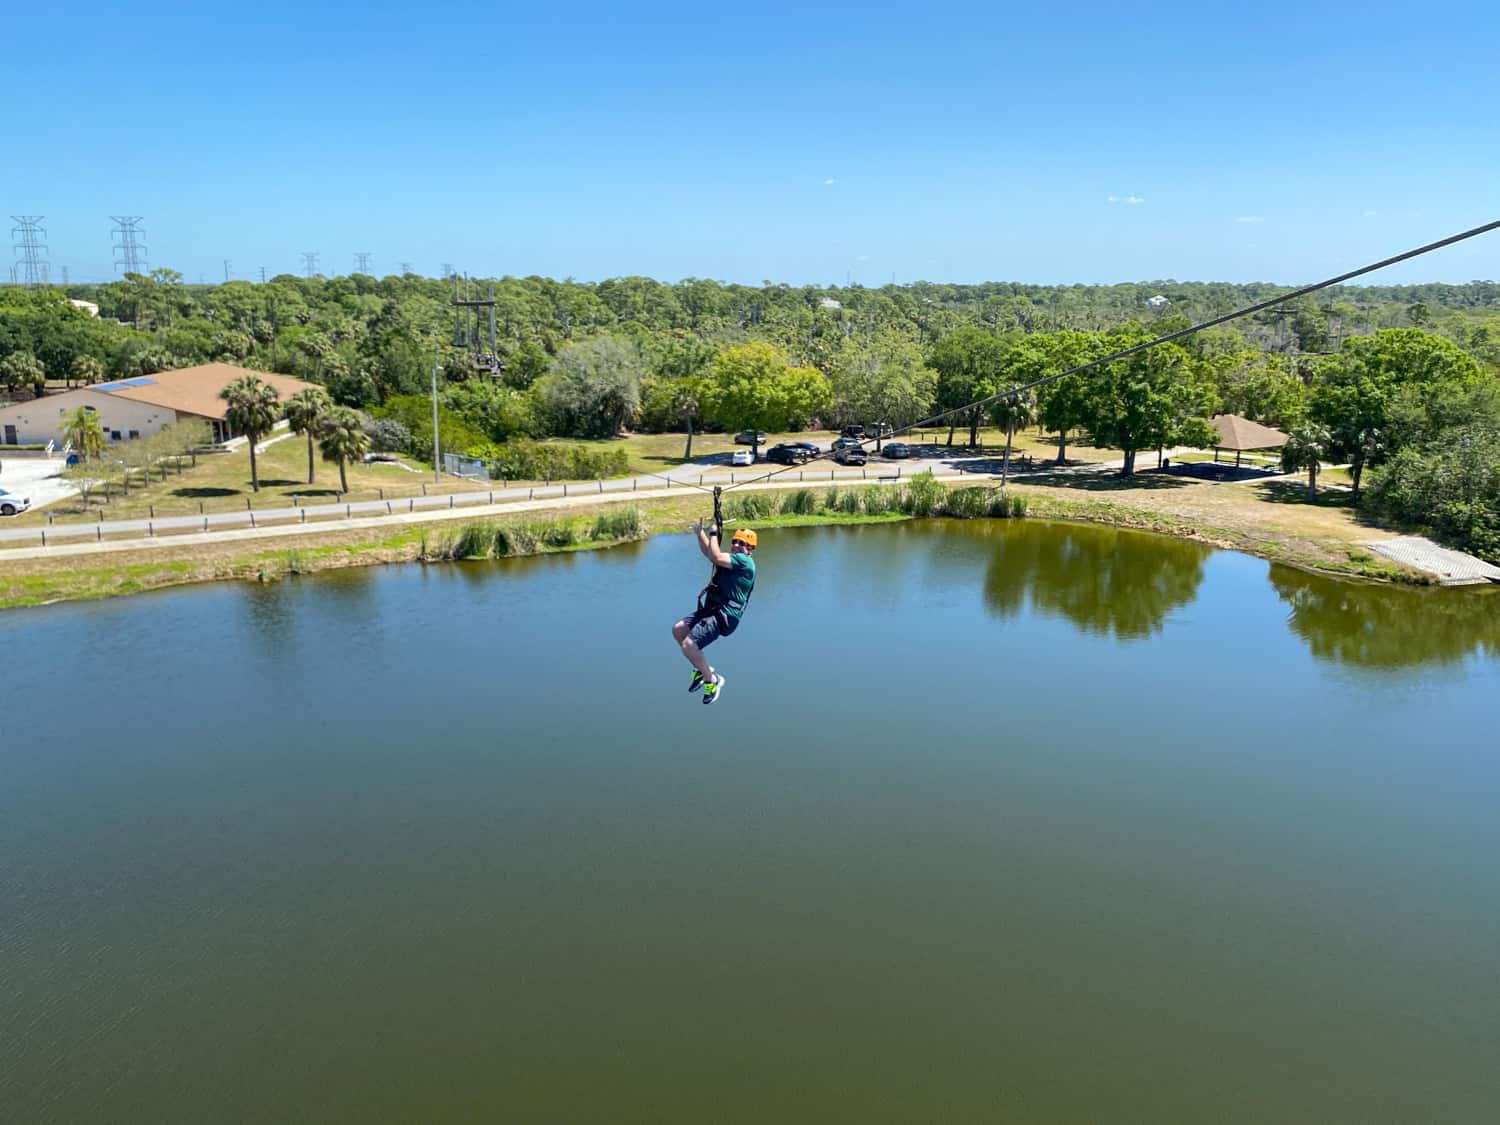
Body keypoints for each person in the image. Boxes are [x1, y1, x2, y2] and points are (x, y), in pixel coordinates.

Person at [672, 519, 757, 705]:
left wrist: (713, 534)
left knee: (688, 646)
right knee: (678, 630)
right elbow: (710, 553)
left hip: (724, 615)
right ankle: (703, 670)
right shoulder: (732, 560)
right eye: (735, 541)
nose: (736, 545)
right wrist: (700, 533)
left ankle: (713, 681)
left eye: (742, 544)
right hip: (712, 608)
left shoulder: (745, 563)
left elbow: (715, 556)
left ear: (750, 549)